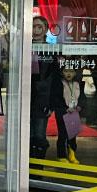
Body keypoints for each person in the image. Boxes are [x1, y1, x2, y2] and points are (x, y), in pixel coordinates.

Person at [29, 17, 61, 157]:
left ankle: (38, 165)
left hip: (43, 99)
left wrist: (52, 104)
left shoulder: (51, 50)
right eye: (33, 27)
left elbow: (55, 79)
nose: (36, 30)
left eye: (39, 27)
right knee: (27, 136)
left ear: (46, 29)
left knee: (39, 135)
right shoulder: (24, 47)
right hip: (27, 97)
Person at [56, 64, 84, 163]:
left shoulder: (77, 83)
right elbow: (56, 98)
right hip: (62, 112)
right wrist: (66, 108)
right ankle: (61, 155)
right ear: (62, 72)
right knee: (62, 134)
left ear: (75, 73)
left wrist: (79, 106)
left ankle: (72, 154)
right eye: (66, 71)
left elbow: (82, 97)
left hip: (74, 111)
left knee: (72, 135)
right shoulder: (59, 83)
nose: (68, 74)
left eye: (71, 71)